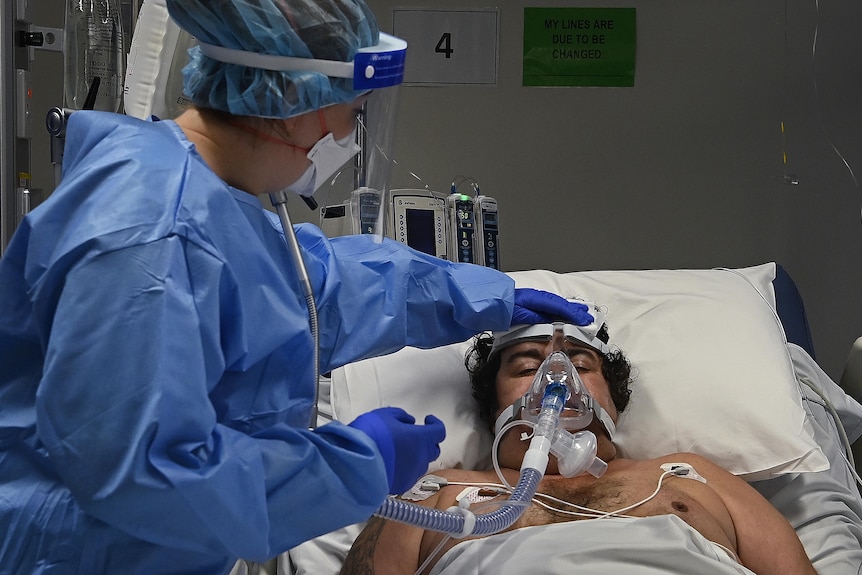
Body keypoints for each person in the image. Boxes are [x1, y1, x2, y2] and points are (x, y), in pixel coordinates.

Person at [0, 1, 592, 573]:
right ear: (288, 102)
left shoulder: (207, 201)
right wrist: (356, 466)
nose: (350, 135)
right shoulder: (149, 232)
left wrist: (479, 295)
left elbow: (315, 296)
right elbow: (146, 478)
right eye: (349, 113)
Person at [340, 308, 819, 575]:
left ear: (612, 396)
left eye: (582, 365)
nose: (557, 379)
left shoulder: (688, 474)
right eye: (528, 367)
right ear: (494, 404)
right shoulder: (437, 491)